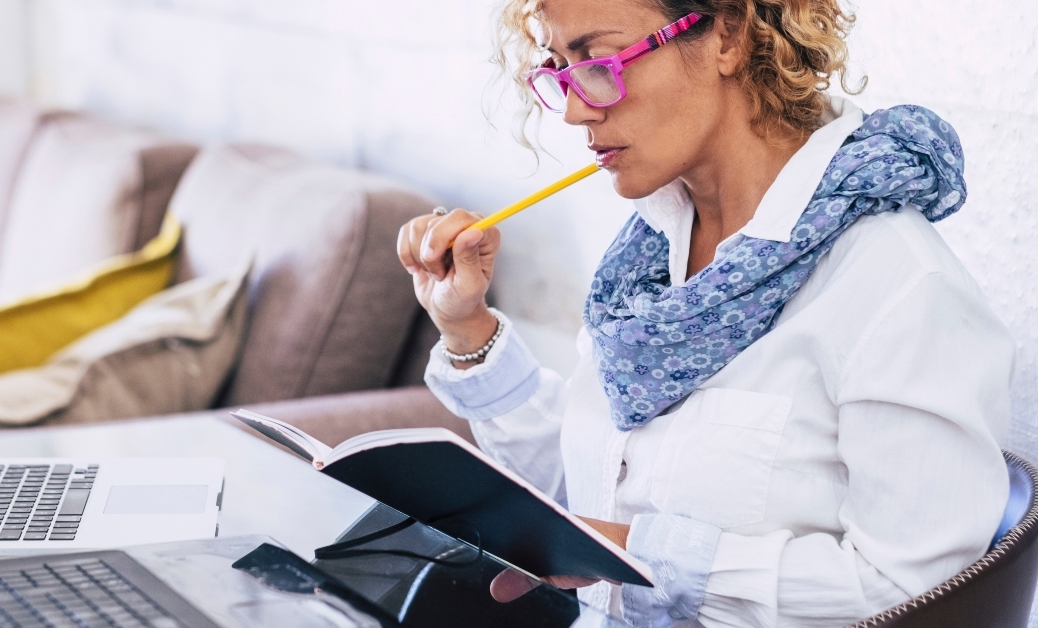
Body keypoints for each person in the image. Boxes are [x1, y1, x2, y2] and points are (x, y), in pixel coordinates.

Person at [396, 0, 1014, 625]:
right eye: (558, 70)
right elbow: (595, 496)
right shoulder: (643, 261)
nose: (578, 108)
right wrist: (466, 327)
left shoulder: (901, 287)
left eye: (598, 60)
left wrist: (642, 556)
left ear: (729, 34)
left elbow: (912, 588)